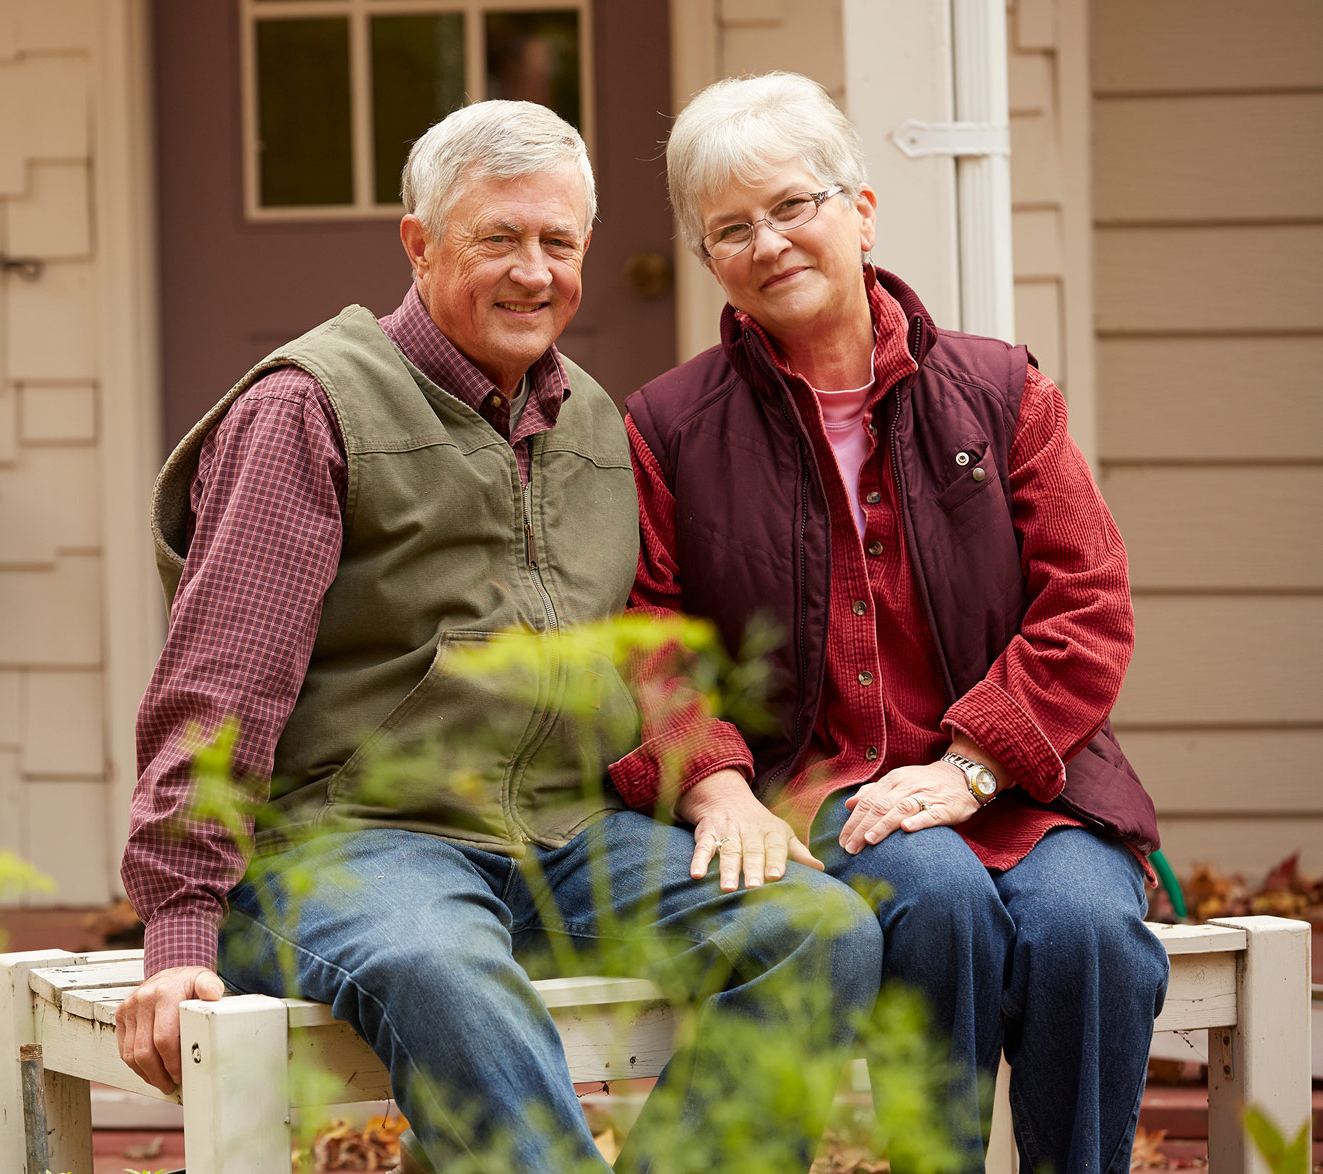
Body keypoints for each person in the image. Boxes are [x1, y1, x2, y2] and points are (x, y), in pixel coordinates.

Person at [116, 99, 881, 1171]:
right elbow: (215, 687)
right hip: (356, 842)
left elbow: (640, 650)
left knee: (818, 934)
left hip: (566, 837)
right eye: (499, 239)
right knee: (446, 972)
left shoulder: (598, 427)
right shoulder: (310, 408)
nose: (535, 272)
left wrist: (712, 779)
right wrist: (180, 926)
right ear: (419, 245)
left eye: (559, 243)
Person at [615, 72, 1168, 1174]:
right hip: (821, 789)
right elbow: (647, 634)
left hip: (1023, 788)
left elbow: (1088, 599)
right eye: (731, 228)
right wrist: (711, 775)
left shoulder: (999, 390)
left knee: (1088, 935)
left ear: (859, 208)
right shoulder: (670, 425)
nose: (768, 243)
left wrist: (971, 768)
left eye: (793, 206)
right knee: (941, 897)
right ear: (708, 259)